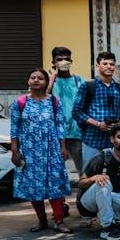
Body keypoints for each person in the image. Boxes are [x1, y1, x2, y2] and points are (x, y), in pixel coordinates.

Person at [10, 68, 71, 233]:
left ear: (46, 82)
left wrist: (63, 147)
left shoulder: (54, 102)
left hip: (51, 149)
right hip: (29, 151)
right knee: (33, 185)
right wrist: (15, 151)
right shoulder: (20, 103)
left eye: (40, 78)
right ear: (28, 81)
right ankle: (42, 221)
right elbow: (14, 128)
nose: (36, 80)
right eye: (33, 78)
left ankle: (59, 221)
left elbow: (60, 125)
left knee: (55, 184)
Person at [77, 123, 120, 240]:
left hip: (112, 196)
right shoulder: (102, 157)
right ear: (112, 139)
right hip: (88, 202)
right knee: (105, 182)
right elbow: (81, 183)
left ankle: (110, 218)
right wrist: (94, 178)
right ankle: (107, 228)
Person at [73, 51, 120, 168]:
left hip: (114, 142)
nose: (108, 66)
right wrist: (98, 124)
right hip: (92, 140)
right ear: (97, 66)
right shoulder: (88, 86)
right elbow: (77, 112)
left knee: (113, 177)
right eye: (105, 63)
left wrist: (118, 125)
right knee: (90, 175)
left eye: (111, 64)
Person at [47, 46, 86, 176]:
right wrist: (52, 78)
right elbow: (42, 99)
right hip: (55, 134)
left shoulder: (80, 81)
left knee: (84, 170)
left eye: (66, 59)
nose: (63, 62)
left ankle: (83, 196)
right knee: (56, 172)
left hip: (77, 133)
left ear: (71, 61)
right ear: (53, 63)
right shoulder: (47, 82)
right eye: (59, 59)